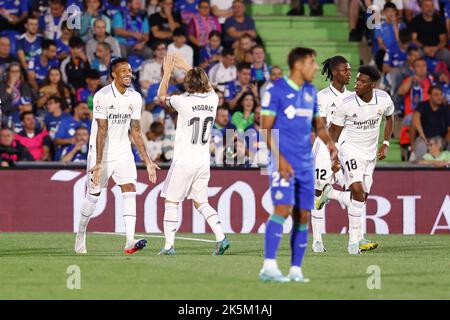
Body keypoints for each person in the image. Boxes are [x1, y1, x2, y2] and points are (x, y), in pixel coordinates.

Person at [259, 47, 337, 282]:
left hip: (305, 164)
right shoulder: (275, 90)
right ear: (299, 65)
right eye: (312, 63)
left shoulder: (311, 91)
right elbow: (265, 128)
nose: (315, 67)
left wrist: (331, 145)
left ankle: (295, 269)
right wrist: (280, 159)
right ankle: (269, 266)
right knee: (282, 210)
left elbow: (319, 126)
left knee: (303, 214)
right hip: (283, 163)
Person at [74, 57, 160, 255]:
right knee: (93, 196)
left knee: (130, 189)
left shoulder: (135, 97)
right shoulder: (102, 96)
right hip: (101, 153)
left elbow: (136, 131)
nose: (128, 74)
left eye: (129, 70)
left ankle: (130, 240)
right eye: (123, 71)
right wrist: (97, 163)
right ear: (113, 74)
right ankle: (80, 234)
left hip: (123, 152)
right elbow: (101, 130)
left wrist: (147, 161)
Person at [157, 54, 230, 255]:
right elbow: (205, 85)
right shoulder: (213, 98)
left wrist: (168, 72)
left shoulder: (182, 101)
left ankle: (169, 245)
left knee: (171, 201)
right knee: (201, 202)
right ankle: (221, 237)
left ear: (188, 84)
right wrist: (186, 66)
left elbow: (160, 96)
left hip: (184, 160)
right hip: (203, 161)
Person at [325, 66, 394, 255]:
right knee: (356, 190)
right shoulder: (346, 103)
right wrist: (334, 157)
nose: (356, 84)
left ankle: (330, 194)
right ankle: (353, 243)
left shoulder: (384, 99)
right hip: (350, 151)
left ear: (372, 84)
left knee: (362, 197)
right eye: (356, 80)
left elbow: (390, 117)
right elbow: (333, 133)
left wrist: (386, 142)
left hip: (370, 155)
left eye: (362, 81)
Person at [311, 56, 352, 253]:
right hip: (325, 149)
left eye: (350, 70)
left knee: (357, 190)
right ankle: (317, 241)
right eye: (345, 70)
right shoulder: (322, 96)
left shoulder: (354, 96)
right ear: (334, 72)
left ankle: (356, 239)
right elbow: (323, 128)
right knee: (318, 192)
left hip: (347, 148)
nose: (349, 73)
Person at [411, 85, 450, 160]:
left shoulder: (446, 108)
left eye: (441, 94)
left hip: (440, 139)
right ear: (429, 96)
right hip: (424, 138)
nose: (439, 97)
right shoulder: (422, 105)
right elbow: (415, 118)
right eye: (436, 95)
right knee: (421, 146)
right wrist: (422, 136)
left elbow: (449, 130)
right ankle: (421, 169)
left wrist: (444, 143)